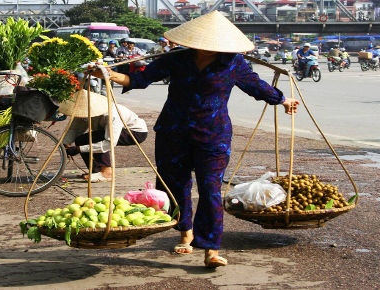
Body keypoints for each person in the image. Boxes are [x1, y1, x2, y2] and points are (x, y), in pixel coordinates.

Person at [91, 11, 299, 268]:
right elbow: (139, 78)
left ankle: (211, 248)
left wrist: (283, 100)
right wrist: (107, 74)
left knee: (210, 190)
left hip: (214, 135)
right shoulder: (177, 59)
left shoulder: (233, 62)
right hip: (173, 132)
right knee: (176, 186)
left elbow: (256, 86)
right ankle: (185, 233)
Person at [61, 91, 148, 182]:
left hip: (135, 132)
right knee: (82, 140)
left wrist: (79, 149)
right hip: (105, 132)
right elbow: (75, 129)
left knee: (98, 138)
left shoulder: (112, 114)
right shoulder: (84, 110)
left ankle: (106, 173)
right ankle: (96, 171)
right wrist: (64, 143)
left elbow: (109, 143)